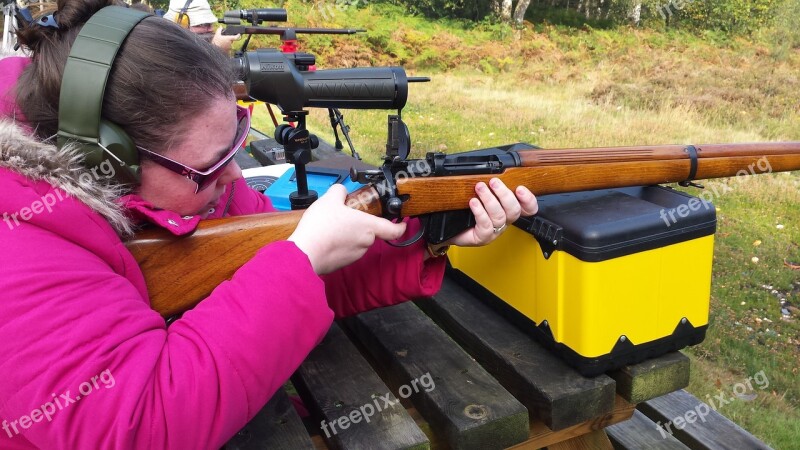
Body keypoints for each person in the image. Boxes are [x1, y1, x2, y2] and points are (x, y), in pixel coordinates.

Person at [0, 0, 538, 448]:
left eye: (237, 136)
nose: (235, 172)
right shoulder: (17, 231)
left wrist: (425, 235)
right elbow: (138, 423)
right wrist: (299, 262)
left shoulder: (192, 185)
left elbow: (286, 261)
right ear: (107, 159)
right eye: (208, 164)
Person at [164, 0, 239, 52]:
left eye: (210, 24)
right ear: (181, 24)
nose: (211, 29)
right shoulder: (164, 48)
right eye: (203, 25)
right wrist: (217, 50)